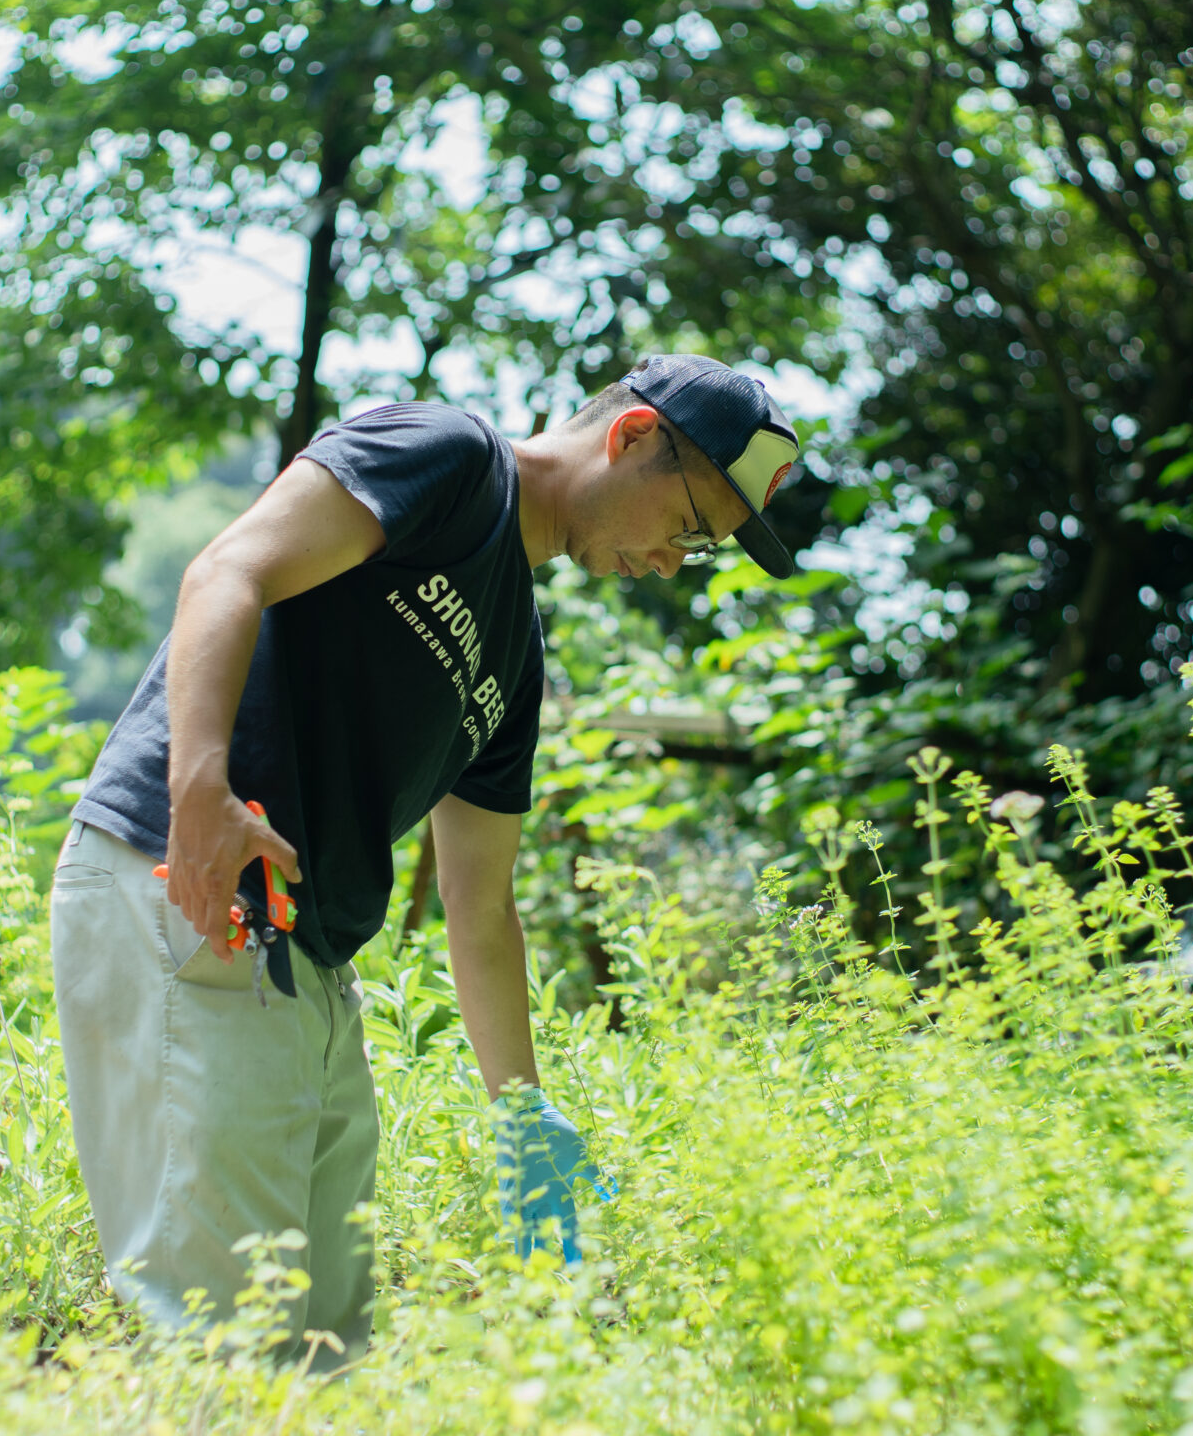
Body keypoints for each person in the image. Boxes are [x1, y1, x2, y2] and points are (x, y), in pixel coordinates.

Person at [49, 355, 806, 1361]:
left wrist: (524, 1119)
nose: (673, 563)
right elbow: (227, 571)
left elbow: (480, 909)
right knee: (224, 1347)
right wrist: (201, 791)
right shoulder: (446, 460)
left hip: (307, 963)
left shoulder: (514, 660)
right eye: (690, 527)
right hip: (184, 886)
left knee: (326, 1351)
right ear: (629, 440)